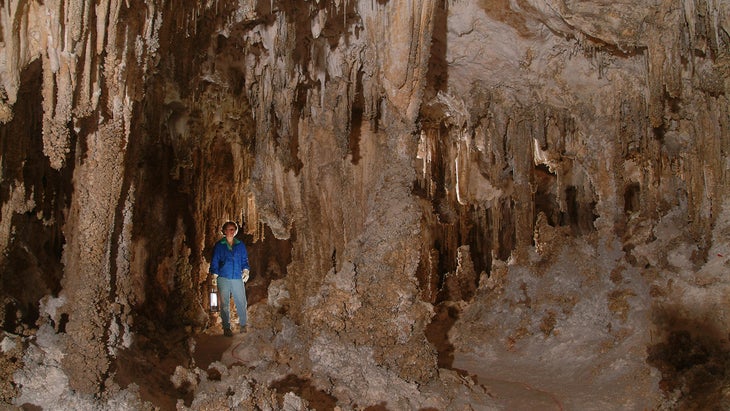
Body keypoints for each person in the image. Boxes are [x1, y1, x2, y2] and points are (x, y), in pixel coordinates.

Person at [209, 221, 251, 336]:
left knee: (241, 301)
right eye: (228, 229)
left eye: (233, 229)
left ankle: (243, 325)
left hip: (237, 276)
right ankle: (226, 328)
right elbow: (215, 260)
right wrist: (214, 273)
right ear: (224, 231)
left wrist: (246, 270)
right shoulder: (219, 245)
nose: (230, 231)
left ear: (235, 231)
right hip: (223, 276)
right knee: (224, 303)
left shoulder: (240, 245)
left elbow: (244, 260)